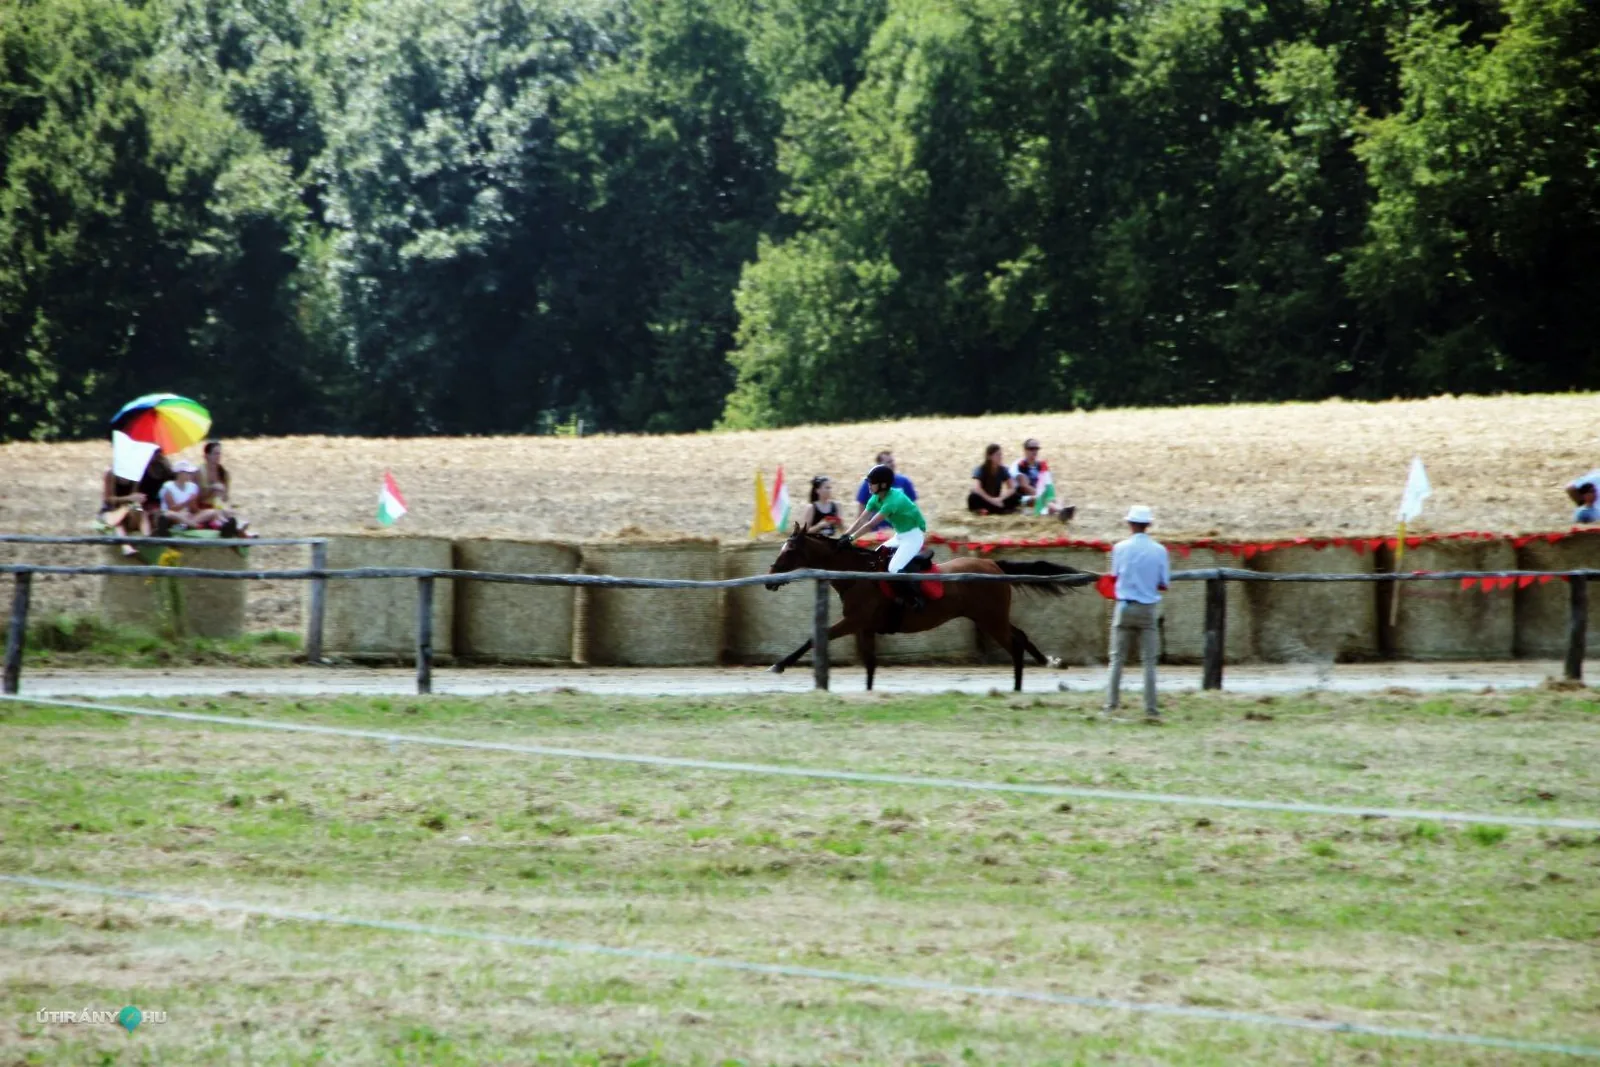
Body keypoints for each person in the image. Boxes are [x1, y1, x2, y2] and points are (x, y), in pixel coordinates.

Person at [1104, 505, 1170, 723]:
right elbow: (1164, 583)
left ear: (1130, 524)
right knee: (1149, 660)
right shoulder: (1160, 550)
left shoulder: (1119, 548)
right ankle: (1151, 708)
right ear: (1148, 525)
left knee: (1117, 659)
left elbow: (1114, 576)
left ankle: (1111, 704)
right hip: (1147, 609)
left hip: (1124, 606)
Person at [840, 463, 929, 610]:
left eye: (871, 482)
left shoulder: (893, 501)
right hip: (900, 536)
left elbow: (870, 525)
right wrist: (845, 535)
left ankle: (915, 599)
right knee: (875, 559)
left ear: (882, 484)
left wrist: (850, 539)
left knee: (894, 568)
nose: (868, 484)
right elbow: (861, 519)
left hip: (913, 537)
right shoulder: (875, 497)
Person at [1011, 438, 1074, 521]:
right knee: (1040, 500)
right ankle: (1060, 511)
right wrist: (1042, 496)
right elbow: (1024, 487)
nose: (1034, 451)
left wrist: (1049, 496)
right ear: (1025, 450)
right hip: (1024, 497)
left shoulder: (1041, 465)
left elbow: (1047, 484)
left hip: (1039, 494)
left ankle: (1057, 512)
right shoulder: (1019, 465)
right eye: (1031, 449)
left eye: (1036, 448)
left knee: (1059, 498)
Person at [855, 450, 917, 530]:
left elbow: (913, 509)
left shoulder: (904, 482)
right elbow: (861, 511)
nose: (892, 464)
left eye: (892, 461)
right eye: (889, 462)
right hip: (876, 533)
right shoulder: (868, 484)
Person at [158, 460, 221, 532]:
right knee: (169, 514)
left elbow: (194, 509)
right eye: (188, 473)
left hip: (188, 516)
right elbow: (172, 508)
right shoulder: (168, 487)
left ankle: (187, 525)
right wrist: (186, 502)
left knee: (212, 512)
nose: (190, 475)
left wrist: (193, 506)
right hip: (175, 515)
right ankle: (193, 525)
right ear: (180, 473)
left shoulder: (192, 487)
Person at [99, 468, 152, 551]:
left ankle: (148, 538)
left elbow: (134, 496)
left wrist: (138, 498)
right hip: (112, 511)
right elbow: (108, 499)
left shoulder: (135, 474)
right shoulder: (111, 473)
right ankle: (126, 546)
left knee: (141, 512)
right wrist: (129, 498)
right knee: (119, 522)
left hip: (128, 508)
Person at [967, 443, 1022, 514]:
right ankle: (997, 510)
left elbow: (1011, 488)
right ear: (989, 457)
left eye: (1001, 455)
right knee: (973, 497)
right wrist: (992, 500)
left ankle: (989, 510)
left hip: (997, 499)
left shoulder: (1003, 470)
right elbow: (977, 488)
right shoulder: (981, 469)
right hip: (984, 499)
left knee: (1016, 496)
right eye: (997, 455)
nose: (1000, 457)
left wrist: (1000, 499)